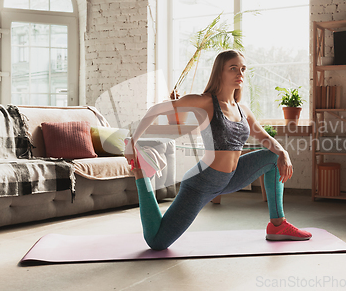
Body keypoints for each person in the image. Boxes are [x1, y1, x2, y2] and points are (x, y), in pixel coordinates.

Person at [125, 49, 312, 250]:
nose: (240, 73)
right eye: (233, 68)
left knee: (274, 158)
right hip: (202, 183)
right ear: (219, 72)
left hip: (231, 178)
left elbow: (265, 139)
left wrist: (283, 152)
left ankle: (278, 225)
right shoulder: (205, 102)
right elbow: (157, 110)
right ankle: (142, 175)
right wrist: (133, 142)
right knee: (157, 242)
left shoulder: (242, 109)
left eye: (242, 69)